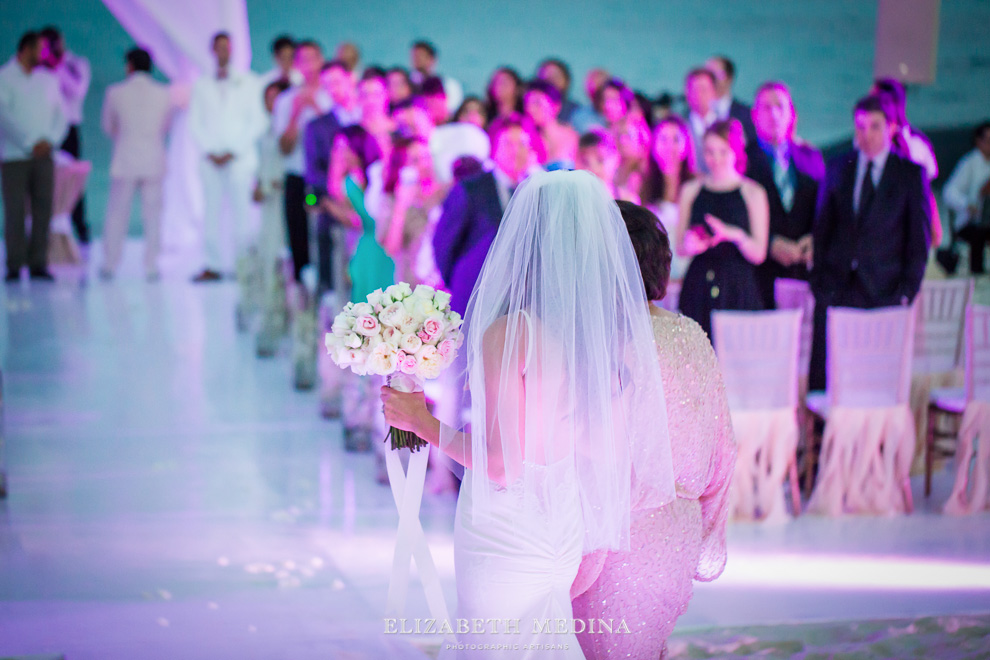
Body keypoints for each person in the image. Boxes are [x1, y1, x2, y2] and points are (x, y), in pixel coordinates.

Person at [382, 170, 677, 658]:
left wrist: (420, 421)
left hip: (506, 533)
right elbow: (596, 444)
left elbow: (501, 465)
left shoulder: (512, 333)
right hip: (560, 527)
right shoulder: (595, 337)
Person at [572, 200, 735, 659]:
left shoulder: (607, 342)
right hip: (678, 534)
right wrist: (700, 527)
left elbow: (584, 452)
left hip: (618, 536)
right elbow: (724, 453)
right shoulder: (691, 334)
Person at [809, 95, 931, 391]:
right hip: (837, 288)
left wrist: (906, 292)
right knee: (831, 377)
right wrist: (819, 283)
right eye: (860, 127)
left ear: (891, 128)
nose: (867, 135)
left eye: (875, 127)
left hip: (885, 291)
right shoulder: (839, 167)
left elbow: (919, 241)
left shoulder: (909, 175)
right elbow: (822, 229)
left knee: (876, 382)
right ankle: (829, 435)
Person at [433, 115, 536, 316]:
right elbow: (444, 244)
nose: (516, 151)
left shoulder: (535, 190)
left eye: (522, 144)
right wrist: (459, 282)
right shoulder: (471, 188)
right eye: (508, 143)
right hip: (474, 294)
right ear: (494, 147)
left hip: (520, 303)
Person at [677, 119, 769, 338]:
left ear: (736, 152)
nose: (715, 159)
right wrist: (691, 244)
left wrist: (733, 234)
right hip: (699, 283)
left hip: (737, 284)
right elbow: (680, 247)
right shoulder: (691, 190)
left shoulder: (753, 192)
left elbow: (759, 254)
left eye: (722, 151)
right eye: (709, 151)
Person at [188, 32, 266, 282]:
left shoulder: (250, 82)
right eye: (219, 47)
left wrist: (233, 149)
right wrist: (211, 150)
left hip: (239, 158)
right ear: (213, 50)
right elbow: (195, 121)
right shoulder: (201, 84)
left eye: (227, 47)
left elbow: (258, 120)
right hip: (211, 159)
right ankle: (212, 264)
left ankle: (242, 265)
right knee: (210, 211)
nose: (223, 52)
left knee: (241, 213)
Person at [746, 81, 825, 308]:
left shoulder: (811, 157)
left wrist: (814, 238)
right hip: (759, 274)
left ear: (792, 114)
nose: (774, 114)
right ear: (755, 115)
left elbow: (824, 207)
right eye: (766, 107)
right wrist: (769, 242)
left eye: (780, 107)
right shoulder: (742, 160)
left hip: (803, 272)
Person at [98, 47, 174, 280]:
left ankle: (110, 263)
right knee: (153, 215)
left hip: (126, 158)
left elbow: (108, 126)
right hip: (152, 158)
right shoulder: (163, 93)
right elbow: (165, 126)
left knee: (117, 214)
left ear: (129, 66)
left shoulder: (116, 92)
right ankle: (151, 264)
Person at [0, 31, 66, 282]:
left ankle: (39, 261)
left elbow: (61, 116)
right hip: (15, 156)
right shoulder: (5, 78)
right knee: (14, 211)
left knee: (43, 209)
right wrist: (28, 142)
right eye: (40, 50)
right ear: (26, 49)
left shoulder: (49, 80)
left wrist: (49, 141)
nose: (45, 55)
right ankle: (14, 263)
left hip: (45, 155)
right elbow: (4, 116)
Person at [272, 40, 331, 281]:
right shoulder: (285, 100)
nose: (308, 66)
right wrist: (296, 113)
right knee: (298, 238)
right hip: (297, 177)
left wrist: (316, 108)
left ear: (321, 61)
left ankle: (326, 291)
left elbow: (335, 140)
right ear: (295, 64)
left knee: (325, 240)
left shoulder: (330, 97)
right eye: (302, 60)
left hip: (325, 179)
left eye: (312, 59)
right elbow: (283, 148)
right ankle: (301, 298)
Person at [39, 26, 91, 246]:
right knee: (42, 179)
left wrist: (57, 66)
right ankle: (42, 230)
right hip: (44, 128)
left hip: (69, 129)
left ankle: (80, 230)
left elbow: (77, 92)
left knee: (73, 181)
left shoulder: (75, 64)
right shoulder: (39, 69)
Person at [254, 79, 291, 357]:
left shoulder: (289, 132)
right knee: (267, 263)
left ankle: (290, 324)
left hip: (285, 204)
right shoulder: (266, 132)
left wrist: (273, 184)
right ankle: (270, 325)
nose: (273, 104)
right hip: (269, 207)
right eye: (269, 98)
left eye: (279, 98)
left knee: (285, 263)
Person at [381, 134, 446, 286]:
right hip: (413, 286)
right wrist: (401, 206)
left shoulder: (445, 192)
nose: (424, 165)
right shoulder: (393, 200)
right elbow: (391, 248)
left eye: (427, 157)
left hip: (444, 282)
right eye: (416, 160)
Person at [642, 115, 697, 280]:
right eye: (663, 139)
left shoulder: (696, 186)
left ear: (686, 145)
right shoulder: (642, 186)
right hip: (654, 279)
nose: (669, 147)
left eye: (676, 139)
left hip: (690, 276)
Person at [944, 121, 990, 273]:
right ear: (979, 141)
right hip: (970, 222)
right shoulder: (969, 163)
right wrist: (967, 204)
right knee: (979, 234)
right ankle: (977, 275)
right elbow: (949, 192)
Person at [536, 57, 601, 133]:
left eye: (556, 77)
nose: (551, 81)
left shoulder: (575, 111)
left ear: (566, 81)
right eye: (546, 78)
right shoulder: (529, 109)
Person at [523, 79, 577, 170]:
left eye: (537, 103)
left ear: (556, 106)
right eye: (527, 103)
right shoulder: (528, 140)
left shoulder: (572, 137)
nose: (530, 109)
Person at [705, 55, 757, 145]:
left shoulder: (746, 114)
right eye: (706, 75)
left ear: (729, 78)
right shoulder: (689, 112)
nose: (709, 80)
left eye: (714, 74)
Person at [409, 40, 463, 113]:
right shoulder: (407, 84)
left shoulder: (449, 84)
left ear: (432, 59)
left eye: (421, 56)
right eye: (415, 57)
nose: (417, 61)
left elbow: (452, 108)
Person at [684, 68, 719, 173]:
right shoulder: (681, 128)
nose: (698, 95)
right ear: (687, 93)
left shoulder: (727, 126)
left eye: (704, 89)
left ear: (714, 92)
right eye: (694, 89)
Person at [576, 128, 619, 196]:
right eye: (585, 162)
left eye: (600, 160)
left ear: (615, 160)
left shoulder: (627, 200)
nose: (593, 169)